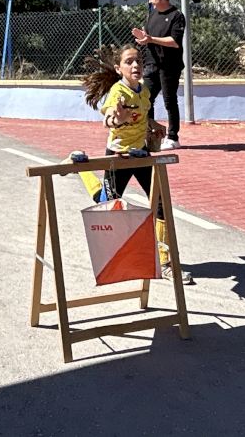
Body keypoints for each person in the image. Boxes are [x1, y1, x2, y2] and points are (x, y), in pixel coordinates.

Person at [82, 44, 193, 285]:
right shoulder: (118, 92)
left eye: (139, 61)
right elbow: (109, 118)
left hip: (141, 155)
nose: (136, 66)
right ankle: (85, 174)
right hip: (118, 157)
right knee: (107, 204)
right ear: (118, 68)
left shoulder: (144, 92)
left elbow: (141, 115)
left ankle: (165, 262)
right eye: (129, 62)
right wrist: (115, 118)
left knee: (161, 205)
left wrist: (153, 125)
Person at [132, 0, 186, 150]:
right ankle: (150, 135)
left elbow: (174, 42)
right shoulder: (152, 15)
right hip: (151, 65)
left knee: (170, 101)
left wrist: (151, 39)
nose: (150, 1)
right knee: (145, 100)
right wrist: (143, 39)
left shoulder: (177, 16)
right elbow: (148, 37)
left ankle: (173, 138)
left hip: (169, 66)